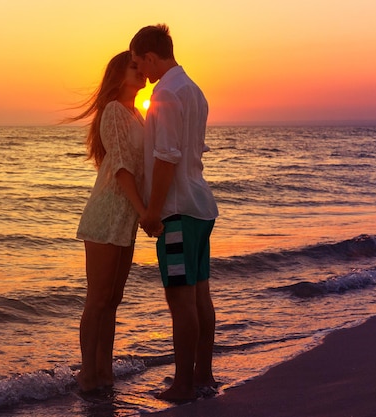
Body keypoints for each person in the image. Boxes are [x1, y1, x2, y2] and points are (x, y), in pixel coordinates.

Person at [129, 24, 219, 402]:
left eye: (139, 63)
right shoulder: (194, 90)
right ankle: (203, 375)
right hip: (200, 205)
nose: (141, 73)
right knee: (199, 294)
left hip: (178, 210)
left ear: (151, 56)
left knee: (180, 298)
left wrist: (151, 211)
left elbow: (167, 157)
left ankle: (183, 385)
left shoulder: (166, 92)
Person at [67, 51, 149, 392]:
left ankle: (106, 370)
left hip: (124, 217)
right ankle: (89, 373)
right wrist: (145, 212)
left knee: (112, 299)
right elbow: (120, 167)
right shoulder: (115, 111)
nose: (141, 71)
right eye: (134, 67)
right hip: (106, 214)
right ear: (118, 75)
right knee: (98, 299)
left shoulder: (136, 115)